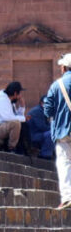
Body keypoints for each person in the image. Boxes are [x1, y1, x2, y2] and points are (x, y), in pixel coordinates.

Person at [42, 54, 71, 209]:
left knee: (64, 162)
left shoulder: (56, 85)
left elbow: (47, 110)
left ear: (64, 67)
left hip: (63, 130)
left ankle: (67, 197)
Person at [0, 81, 27, 152]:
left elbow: (16, 117)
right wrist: (24, 118)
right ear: (15, 93)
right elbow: (9, 118)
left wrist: (22, 107)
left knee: (21, 124)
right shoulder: (2, 101)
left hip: (1, 127)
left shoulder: (10, 102)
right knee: (16, 124)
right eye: (19, 94)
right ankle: (11, 148)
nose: (20, 97)